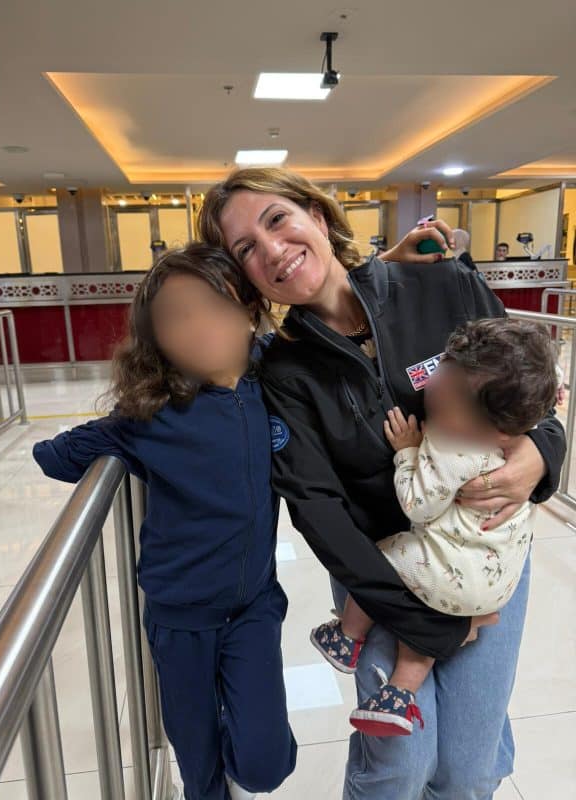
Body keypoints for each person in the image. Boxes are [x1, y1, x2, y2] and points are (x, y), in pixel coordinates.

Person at [197, 167, 566, 800]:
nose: (272, 250)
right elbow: (316, 506)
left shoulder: (441, 285)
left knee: (470, 769)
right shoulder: (284, 369)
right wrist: (412, 616)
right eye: (245, 249)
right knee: (397, 766)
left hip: (484, 557)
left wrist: (541, 453)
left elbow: (532, 390)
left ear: (316, 213)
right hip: (381, 572)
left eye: (277, 219)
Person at [32, 243, 297, 800]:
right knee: (197, 763)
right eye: (178, 316)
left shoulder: (274, 382)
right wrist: (96, 449)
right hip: (180, 618)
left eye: (217, 305)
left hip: (254, 606)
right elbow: (56, 456)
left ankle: (239, 743)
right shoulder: (150, 416)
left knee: (265, 763)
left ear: (250, 312)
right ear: (156, 339)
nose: (201, 326)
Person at [311, 317, 558, 737]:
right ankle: (399, 696)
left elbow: (418, 505)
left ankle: (347, 637)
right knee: (430, 597)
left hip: (451, 578)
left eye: (441, 407)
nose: (428, 395)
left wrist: (408, 453)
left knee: (383, 558)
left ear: (488, 427)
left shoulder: (452, 448)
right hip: (496, 588)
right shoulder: (518, 444)